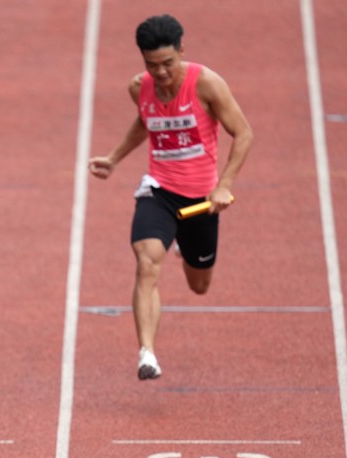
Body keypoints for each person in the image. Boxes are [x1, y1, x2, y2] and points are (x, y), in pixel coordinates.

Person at [88, 14, 252, 379]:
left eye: (168, 63)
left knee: (199, 286)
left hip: (201, 200)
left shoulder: (207, 85)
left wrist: (224, 184)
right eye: (151, 65)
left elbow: (243, 134)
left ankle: (182, 244)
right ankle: (147, 353)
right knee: (146, 263)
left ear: (182, 50)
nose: (160, 73)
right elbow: (146, 121)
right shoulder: (139, 87)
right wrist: (114, 158)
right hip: (158, 192)